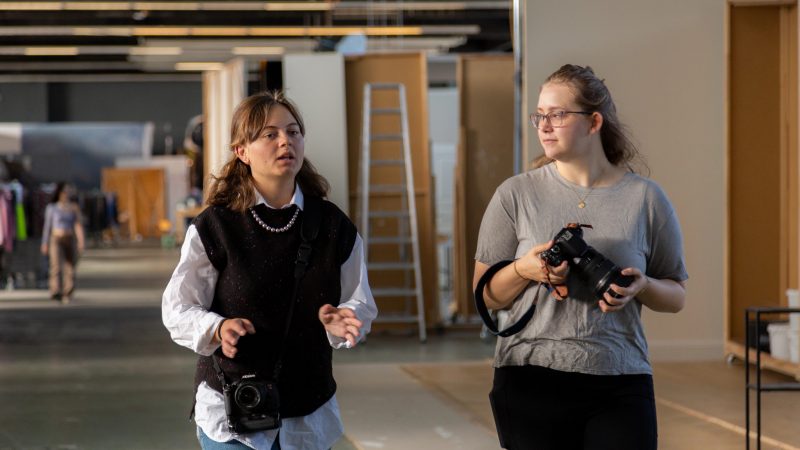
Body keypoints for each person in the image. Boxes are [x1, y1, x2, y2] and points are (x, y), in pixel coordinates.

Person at [473, 64, 688, 450]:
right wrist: (526, 269)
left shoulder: (646, 198)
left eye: (557, 114)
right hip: (529, 377)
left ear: (594, 123)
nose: (544, 125)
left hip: (619, 377)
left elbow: (676, 296)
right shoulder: (515, 194)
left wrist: (643, 285)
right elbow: (484, 296)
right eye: (539, 115)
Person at [162, 90, 377, 450]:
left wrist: (346, 319)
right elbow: (177, 309)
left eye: (293, 132)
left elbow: (361, 301)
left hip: (308, 411)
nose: (285, 142)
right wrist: (218, 328)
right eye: (270, 134)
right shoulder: (216, 226)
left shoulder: (333, 226)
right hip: (232, 411)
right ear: (241, 151)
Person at [41, 182, 84, 304]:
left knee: (70, 266)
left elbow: (78, 225)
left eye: (68, 192)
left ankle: (68, 291)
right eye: (64, 191)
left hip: (69, 238)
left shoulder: (73, 207)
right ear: (59, 193)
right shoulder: (52, 208)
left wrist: (81, 241)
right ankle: (55, 291)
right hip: (56, 238)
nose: (67, 194)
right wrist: (44, 242)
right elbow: (47, 226)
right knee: (55, 265)